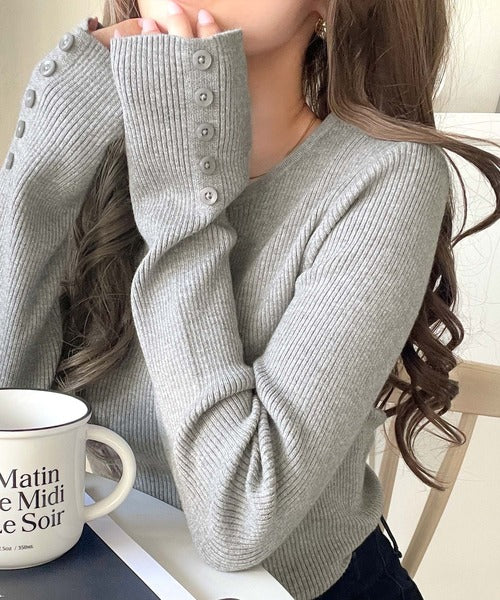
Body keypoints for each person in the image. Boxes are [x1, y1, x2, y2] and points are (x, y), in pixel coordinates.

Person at [1, 1, 499, 598]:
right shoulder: (111, 152)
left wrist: (183, 203)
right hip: (120, 565)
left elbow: (238, 521)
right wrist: (40, 175)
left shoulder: (387, 175)